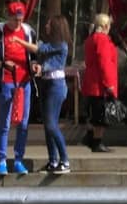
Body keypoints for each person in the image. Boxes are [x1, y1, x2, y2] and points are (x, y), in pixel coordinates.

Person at [0, 1, 38, 175]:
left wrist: (35, 66)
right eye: (14, 19)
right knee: (5, 123)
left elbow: (34, 55)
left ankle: (18, 159)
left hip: (24, 83)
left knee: (23, 123)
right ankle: (1, 160)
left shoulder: (28, 32)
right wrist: (2, 64)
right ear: (7, 16)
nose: (17, 23)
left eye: (20, 18)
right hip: (6, 81)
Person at [36, 16, 73, 174]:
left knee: (51, 124)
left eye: (49, 24)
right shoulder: (50, 44)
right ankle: (53, 160)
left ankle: (64, 160)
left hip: (56, 86)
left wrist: (20, 42)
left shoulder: (60, 45)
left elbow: (41, 51)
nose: (46, 26)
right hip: (46, 84)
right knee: (48, 126)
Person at [81, 13, 119, 153]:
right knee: (101, 116)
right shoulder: (102, 40)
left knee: (94, 113)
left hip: (91, 82)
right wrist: (109, 84)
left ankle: (90, 138)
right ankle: (97, 142)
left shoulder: (90, 39)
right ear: (105, 26)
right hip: (100, 84)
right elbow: (105, 63)